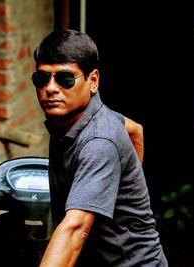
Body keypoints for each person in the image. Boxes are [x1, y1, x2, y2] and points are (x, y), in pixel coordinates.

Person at [31, 29, 167, 266]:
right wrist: (122, 186)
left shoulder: (99, 143)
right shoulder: (76, 118)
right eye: (42, 79)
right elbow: (136, 130)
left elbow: (75, 228)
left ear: (92, 81)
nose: (51, 88)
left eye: (65, 79)